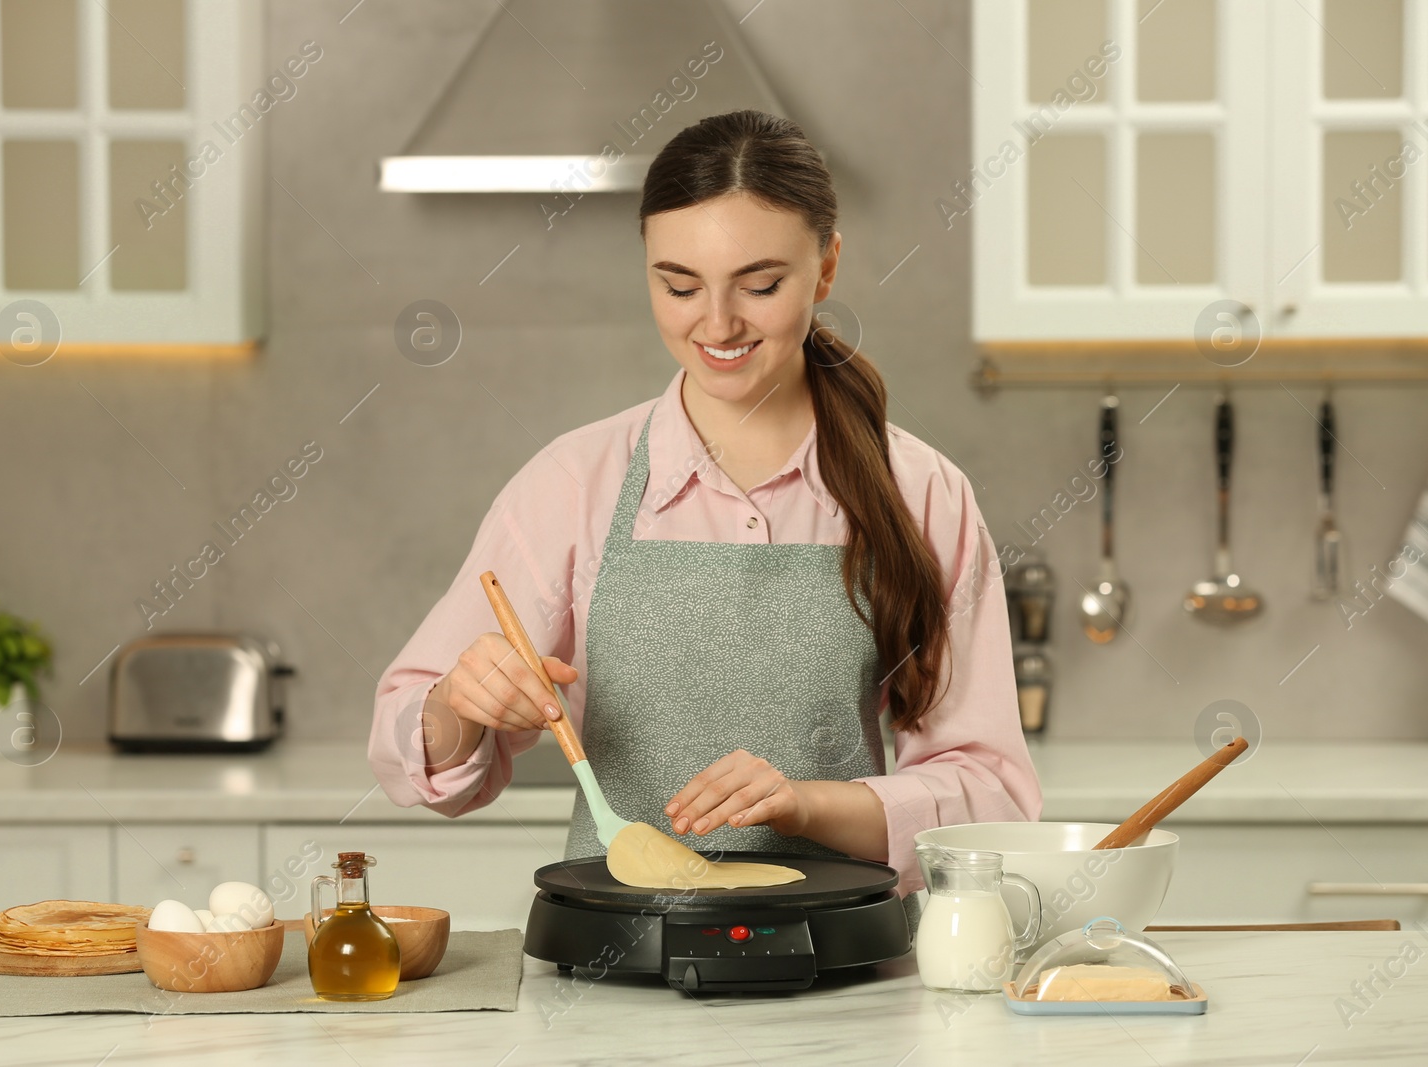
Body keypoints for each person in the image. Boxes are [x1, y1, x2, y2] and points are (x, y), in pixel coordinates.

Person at [369, 111, 1041, 929]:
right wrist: (459, 701)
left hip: (843, 969)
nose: (716, 324)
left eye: (760, 285)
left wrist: (806, 804)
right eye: (679, 285)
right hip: (615, 968)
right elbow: (412, 758)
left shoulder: (923, 491)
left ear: (827, 266)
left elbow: (992, 796)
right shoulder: (573, 483)